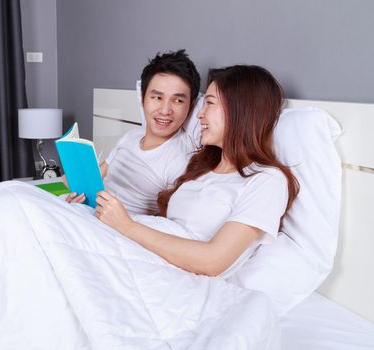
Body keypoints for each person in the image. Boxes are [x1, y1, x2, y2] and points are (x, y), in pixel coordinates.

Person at [95, 65, 300, 278]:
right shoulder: (202, 167)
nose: (200, 114)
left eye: (209, 104)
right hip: (135, 248)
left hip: (162, 268)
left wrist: (127, 227)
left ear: (239, 110)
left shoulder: (266, 180)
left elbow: (213, 261)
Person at [65, 49, 201, 215]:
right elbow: (96, 177)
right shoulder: (131, 136)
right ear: (143, 99)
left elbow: (167, 224)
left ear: (191, 106)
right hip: (93, 213)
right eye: (157, 98)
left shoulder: (182, 160)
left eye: (178, 100)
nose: (165, 110)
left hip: (118, 231)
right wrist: (79, 200)